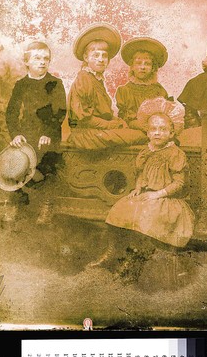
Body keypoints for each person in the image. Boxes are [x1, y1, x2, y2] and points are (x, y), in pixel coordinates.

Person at [106, 98, 194, 249]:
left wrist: (157, 194)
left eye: (162, 129)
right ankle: (113, 252)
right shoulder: (146, 151)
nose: (157, 133)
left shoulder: (175, 153)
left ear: (171, 133)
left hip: (167, 200)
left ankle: (140, 257)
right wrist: (138, 188)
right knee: (121, 209)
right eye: (153, 129)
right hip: (147, 195)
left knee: (147, 217)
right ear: (147, 132)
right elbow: (142, 174)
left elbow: (179, 183)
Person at [67, 23, 147, 149]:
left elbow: (103, 113)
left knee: (138, 133)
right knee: (141, 136)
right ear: (86, 57)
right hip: (85, 135)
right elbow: (84, 119)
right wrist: (113, 125)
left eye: (104, 56)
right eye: (96, 55)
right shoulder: (83, 79)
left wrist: (117, 121)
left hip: (97, 131)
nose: (101, 59)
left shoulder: (96, 79)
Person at [6, 41, 67, 181]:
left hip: (49, 133)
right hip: (27, 132)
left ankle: (47, 197)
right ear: (26, 62)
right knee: (21, 169)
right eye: (37, 58)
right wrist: (16, 134)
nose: (42, 62)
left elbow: (60, 112)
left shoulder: (55, 83)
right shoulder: (21, 85)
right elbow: (11, 113)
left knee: (46, 169)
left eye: (46, 59)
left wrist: (48, 133)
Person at [116, 37, 169, 131]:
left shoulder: (159, 91)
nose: (142, 67)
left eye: (147, 64)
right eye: (138, 63)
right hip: (132, 131)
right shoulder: (124, 91)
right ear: (132, 66)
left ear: (153, 68)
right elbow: (125, 119)